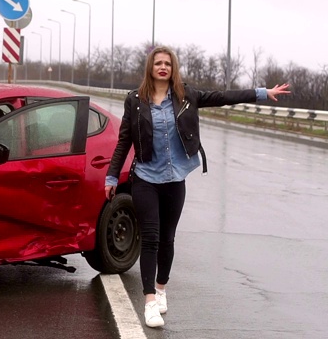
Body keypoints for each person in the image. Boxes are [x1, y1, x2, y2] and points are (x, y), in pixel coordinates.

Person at [104, 46, 290, 328]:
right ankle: (150, 301)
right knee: (151, 238)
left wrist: (263, 92)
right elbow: (124, 141)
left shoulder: (186, 95)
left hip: (175, 179)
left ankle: (162, 288)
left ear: (173, 68)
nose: (163, 67)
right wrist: (111, 177)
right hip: (145, 178)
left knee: (168, 238)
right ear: (150, 68)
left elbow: (223, 97)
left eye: (168, 63)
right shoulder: (135, 101)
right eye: (158, 63)